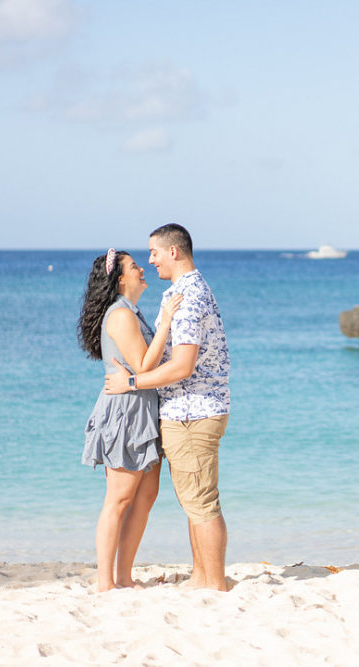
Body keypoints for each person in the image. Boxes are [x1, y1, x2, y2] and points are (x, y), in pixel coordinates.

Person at [105, 224, 232, 591]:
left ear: (173, 252)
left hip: (193, 412)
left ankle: (215, 583)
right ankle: (201, 576)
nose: (150, 260)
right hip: (186, 411)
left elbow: (182, 366)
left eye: (154, 253)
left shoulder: (189, 296)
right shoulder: (182, 292)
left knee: (201, 502)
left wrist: (131, 383)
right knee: (194, 500)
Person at [78, 248, 182, 592]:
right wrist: (166, 321)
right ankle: (105, 581)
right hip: (124, 412)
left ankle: (124, 576)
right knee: (119, 499)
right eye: (135, 266)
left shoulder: (132, 313)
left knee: (146, 495)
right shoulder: (120, 315)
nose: (142, 269)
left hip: (143, 410)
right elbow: (143, 367)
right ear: (120, 278)